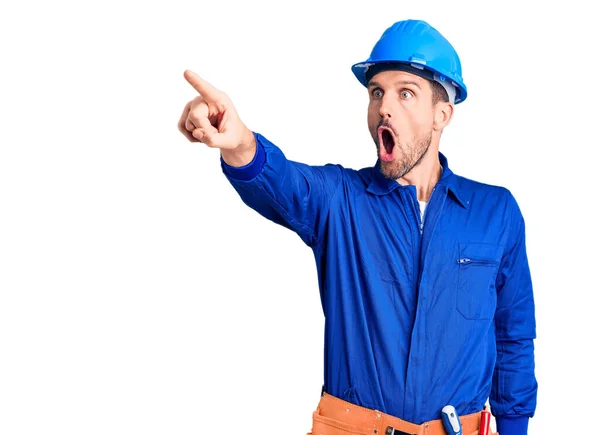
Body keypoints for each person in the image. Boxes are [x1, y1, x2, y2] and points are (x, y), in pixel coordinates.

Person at [177, 19, 537, 435]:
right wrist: (241, 144)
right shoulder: (340, 201)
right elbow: (285, 184)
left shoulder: (496, 213)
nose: (385, 106)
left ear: (442, 114)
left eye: (406, 93)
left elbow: (513, 336)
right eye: (376, 92)